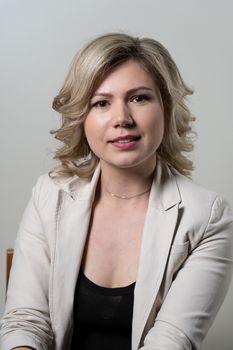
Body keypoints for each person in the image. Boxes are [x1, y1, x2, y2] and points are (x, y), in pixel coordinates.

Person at [0, 32, 233, 350]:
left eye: (139, 98)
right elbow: (26, 321)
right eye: (101, 103)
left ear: (165, 107)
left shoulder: (207, 216)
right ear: (82, 117)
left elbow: (171, 340)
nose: (122, 119)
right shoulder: (49, 195)